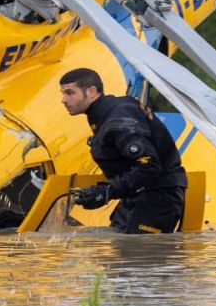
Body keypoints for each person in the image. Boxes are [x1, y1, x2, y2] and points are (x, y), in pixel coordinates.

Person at [59, 67, 186, 233]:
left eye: (70, 93)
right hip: (136, 195)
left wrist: (107, 191)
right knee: (116, 251)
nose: (63, 99)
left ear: (91, 92)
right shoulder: (107, 113)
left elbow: (149, 166)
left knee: (136, 255)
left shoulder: (120, 119)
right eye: (62, 93)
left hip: (158, 197)